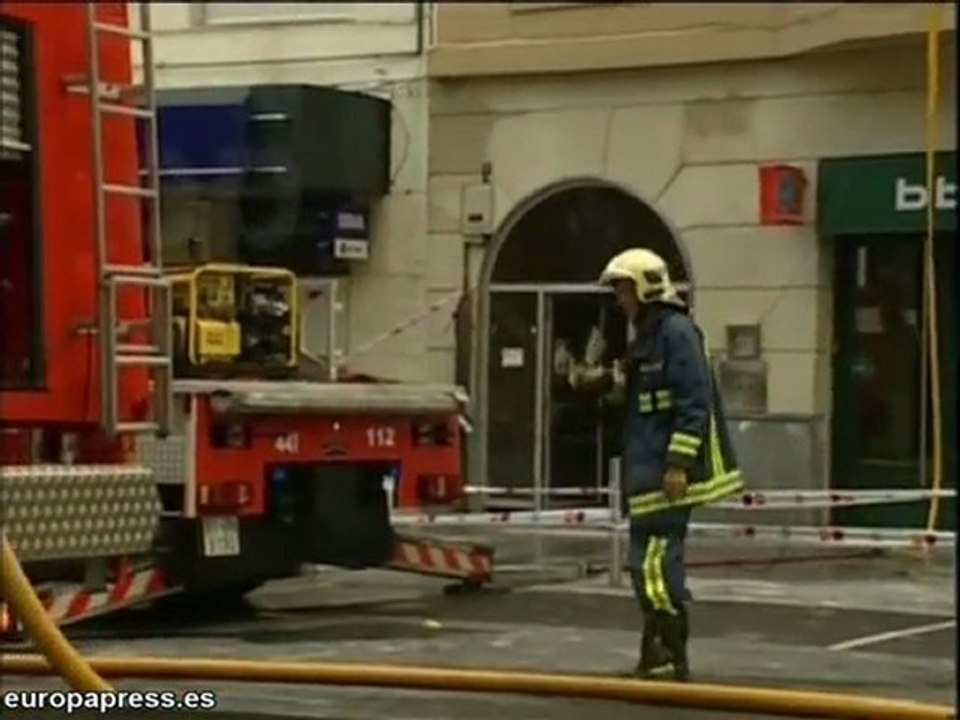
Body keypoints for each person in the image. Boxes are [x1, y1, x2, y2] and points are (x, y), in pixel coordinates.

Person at [568, 248, 743, 682]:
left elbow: (693, 404)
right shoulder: (648, 336)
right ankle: (656, 656)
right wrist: (599, 381)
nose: (619, 300)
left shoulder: (677, 333)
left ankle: (668, 656)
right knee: (645, 566)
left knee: (656, 567)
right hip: (645, 470)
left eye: (623, 289)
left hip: (663, 474)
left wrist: (679, 465)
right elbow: (634, 384)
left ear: (646, 288)